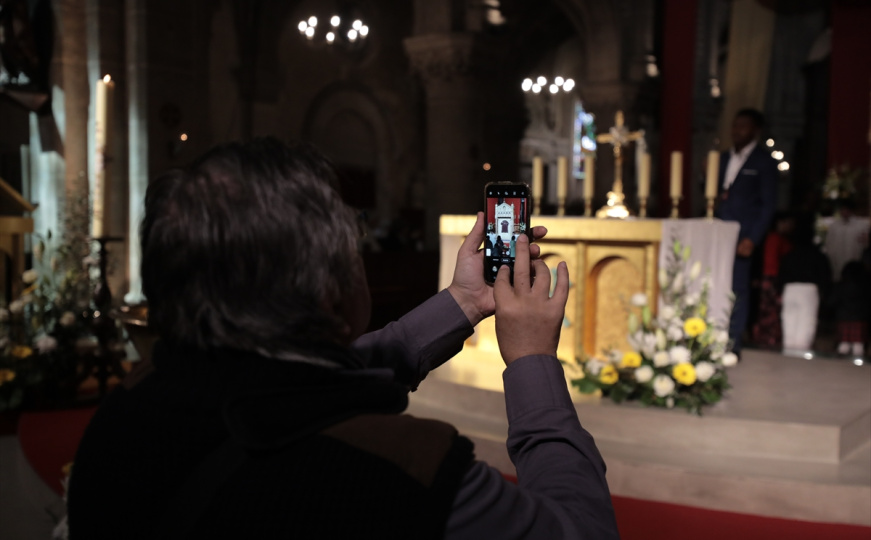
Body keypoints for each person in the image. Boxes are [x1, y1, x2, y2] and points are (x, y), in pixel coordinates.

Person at [67, 139, 619, 539]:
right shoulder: (408, 470)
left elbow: (299, 384)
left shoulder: (126, 407)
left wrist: (465, 303)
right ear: (333, 294)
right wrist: (531, 360)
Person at [715, 108, 778, 356]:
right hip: (719, 230)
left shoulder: (763, 162)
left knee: (738, 287)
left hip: (743, 235)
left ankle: (733, 341)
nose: (737, 131)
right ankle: (712, 335)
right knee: (717, 282)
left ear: (756, 131)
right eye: (734, 125)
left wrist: (753, 237)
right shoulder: (721, 159)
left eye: (743, 126)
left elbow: (768, 204)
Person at [778, 215, 832, 353]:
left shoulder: (789, 254)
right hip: (809, 290)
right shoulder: (818, 255)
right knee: (805, 326)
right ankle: (799, 358)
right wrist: (825, 293)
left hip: (790, 290)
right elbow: (825, 275)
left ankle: (788, 355)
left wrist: (779, 290)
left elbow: (781, 274)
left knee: (788, 326)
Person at [827, 261, 870, 357]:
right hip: (860, 319)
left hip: (843, 318)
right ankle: (858, 368)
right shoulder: (866, 286)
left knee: (843, 345)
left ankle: (840, 368)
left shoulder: (840, 285)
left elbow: (831, 301)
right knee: (858, 346)